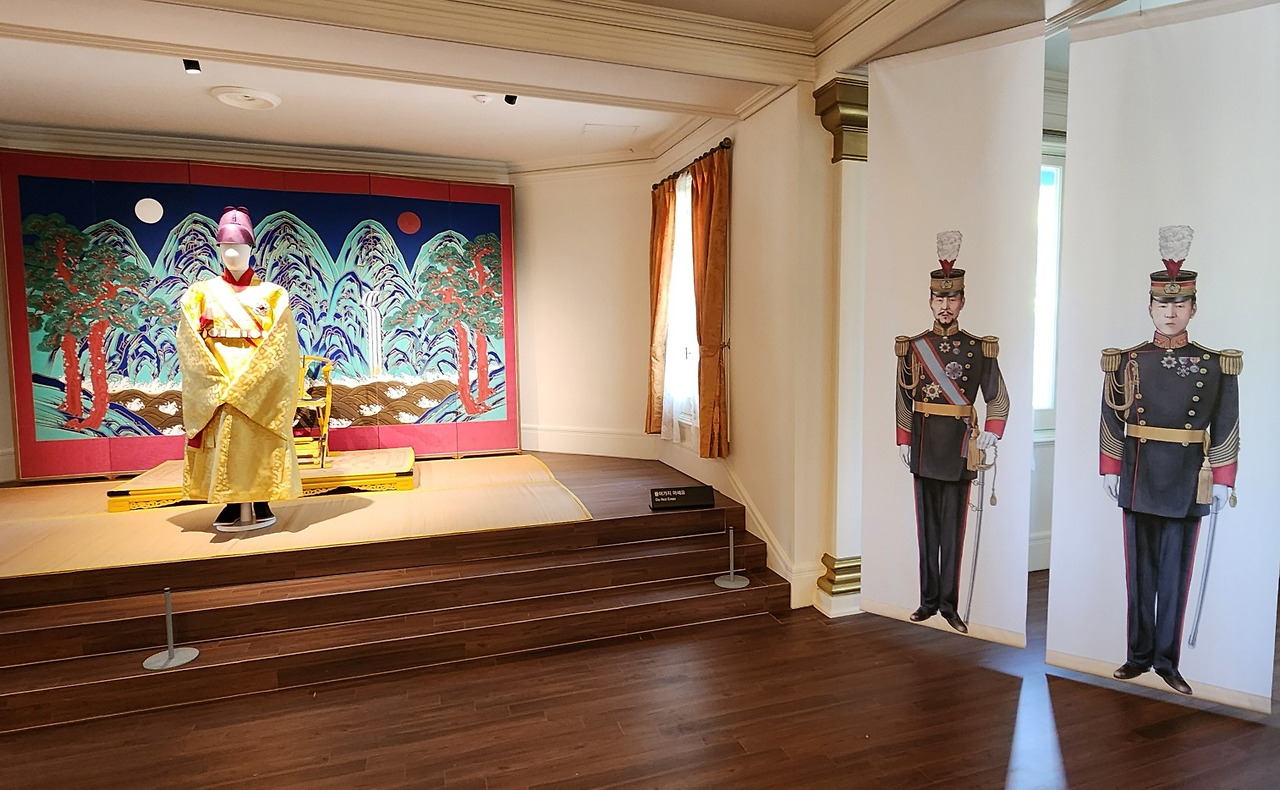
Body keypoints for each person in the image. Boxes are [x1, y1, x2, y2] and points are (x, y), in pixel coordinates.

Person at [1100, 225, 1241, 696]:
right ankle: (1137, 656)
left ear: (1193, 308)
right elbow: (1110, 414)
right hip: (1139, 472)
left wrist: (1223, 478)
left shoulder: (1215, 364)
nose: (1171, 312)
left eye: (1180, 305)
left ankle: (1167, 661)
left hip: (1187, 477)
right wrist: (1111, 466)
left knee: (1175, 576)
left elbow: (1226, 421)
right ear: (1150, 307)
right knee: (1139, 574)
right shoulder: (1126, 360)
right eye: (1162, 304)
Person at [895, 231, 1009, 634]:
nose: (945, 306)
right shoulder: (914, 347)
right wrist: (905, 439)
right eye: (939, 299)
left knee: (953, 529)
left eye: (953, 298)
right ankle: (927, 601)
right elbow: (903, 397)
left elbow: (997, 397)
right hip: (925, 443)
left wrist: (992, 431)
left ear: (962, 301)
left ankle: (949, 605)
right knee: (927, 530)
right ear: (930, 301)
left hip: (960, 447)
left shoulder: (979, 349)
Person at [178, 206, 302, 531]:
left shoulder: (272, 295)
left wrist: (254, 382)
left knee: (257, 440)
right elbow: (190, 342)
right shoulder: (199, 293)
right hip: (217, 379)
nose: (232, 253)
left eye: (239, 246)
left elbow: (281, 345)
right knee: (223, 442)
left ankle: (261, 499)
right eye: (226, 247)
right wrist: (213, 381)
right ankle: (230, 502)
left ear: (251, 249)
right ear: (218, 249)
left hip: (257, 379)